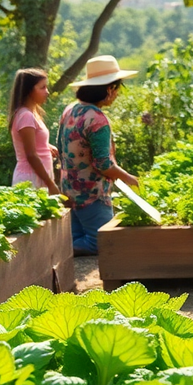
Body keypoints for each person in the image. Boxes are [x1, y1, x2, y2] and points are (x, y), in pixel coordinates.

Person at [57, 55, 140, 256]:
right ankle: (56, 252)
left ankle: (60, 250)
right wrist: (128, 177)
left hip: (70, 188)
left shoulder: (71, 110)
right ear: (109, 89)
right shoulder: (97, 119)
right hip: (92, 193)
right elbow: (102, 163)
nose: (117, 94)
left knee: (75, 237)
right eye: (118, 88)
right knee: (101, 242)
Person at [8, 68, 60, 197]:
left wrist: (46, 146)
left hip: (37, 176)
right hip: (31, 178)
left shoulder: (31, 114)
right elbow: (31, 155)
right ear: (29, 90)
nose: (47, 92)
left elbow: (29, 142)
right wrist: (50, 184)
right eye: (42, 88)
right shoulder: (26, 115)